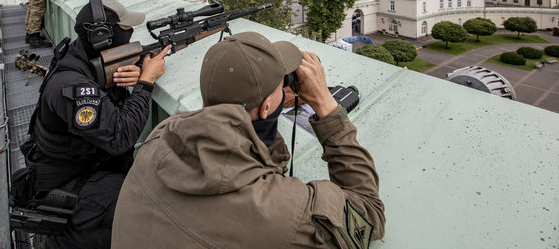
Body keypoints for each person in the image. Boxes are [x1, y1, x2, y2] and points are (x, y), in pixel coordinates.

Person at [112, 31, 385, 248]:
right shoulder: (282, 212)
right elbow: (368, 214)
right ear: (267, 108)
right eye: (282, 84)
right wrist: (325, 103)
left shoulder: (161, 135)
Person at [20, 0, 170, 249]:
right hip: (71, 195)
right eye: (125, 29)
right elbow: (120, 136)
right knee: (156, 208)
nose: (130, 34)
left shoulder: (79, 55)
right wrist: (145, 83)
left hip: (82, 172)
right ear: (103, 38)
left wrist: (135, 70)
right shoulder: (71, 86)